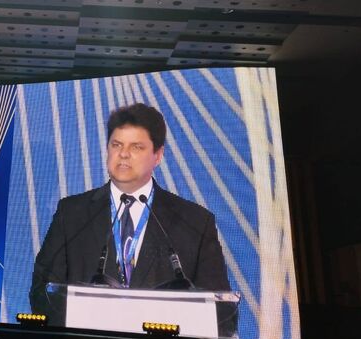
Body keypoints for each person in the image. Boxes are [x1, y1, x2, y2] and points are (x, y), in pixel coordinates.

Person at [30, 103, 230, 314]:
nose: (123, 154)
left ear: (158, 155)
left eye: (136, 147)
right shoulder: (71, 214)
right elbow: (42, 291)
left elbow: (220, 310)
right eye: (116, 145)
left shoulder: (195, 222)